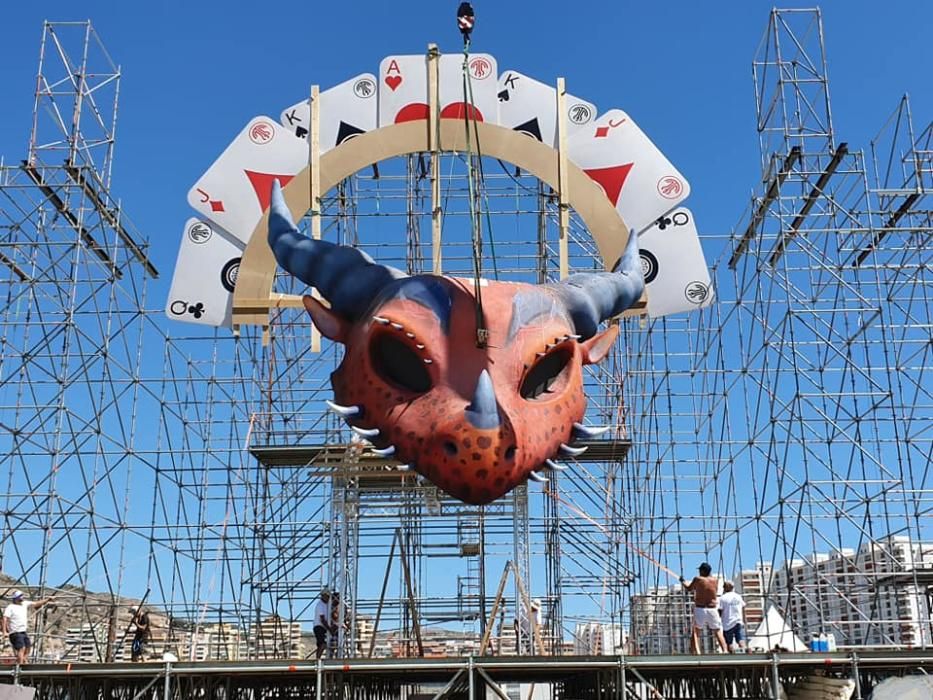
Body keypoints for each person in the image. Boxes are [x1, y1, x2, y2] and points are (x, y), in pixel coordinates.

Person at [680, 563, 728, 654]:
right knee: (717, 631)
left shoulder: (698, 579)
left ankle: (694, 651)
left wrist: (682, 581)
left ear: (702, 571)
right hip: (712, 608)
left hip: (700, 608)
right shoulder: (715, 580)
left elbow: (689, 588)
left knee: (696, 631)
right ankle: (725, 650)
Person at [2, 590, 54, 664]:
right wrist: (5, 631)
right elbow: (4, 618)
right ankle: (20, 665)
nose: (22, 597)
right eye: (20, 596)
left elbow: (36, 603)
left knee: (28, 647)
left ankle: (23, 660)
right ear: (16, 598)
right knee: (21, 648)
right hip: (15, 632)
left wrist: (48, 599)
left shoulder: (24, 604)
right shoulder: (10, 607)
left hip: (23, 631)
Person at [718, 581, 747, 653]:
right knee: (740, 639)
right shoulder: (738, 596)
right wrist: (744, 619)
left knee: (729, 643)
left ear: (725, 588)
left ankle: (731, 656)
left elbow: (720, 610)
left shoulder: (723, 598)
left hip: (728, 623)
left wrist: (719, 619)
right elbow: (743, 607)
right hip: (738, 621)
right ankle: (745, 652)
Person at [313, 588, 334, 660]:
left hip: (323, 627)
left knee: (324, 643)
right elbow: (322, 619)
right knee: (322, 644)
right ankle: (317, 658)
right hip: (319, 626)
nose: (328, 598)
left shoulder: (327, 604)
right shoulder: (320, 605)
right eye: (327, 596)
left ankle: (319, 657)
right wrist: (329, 628)